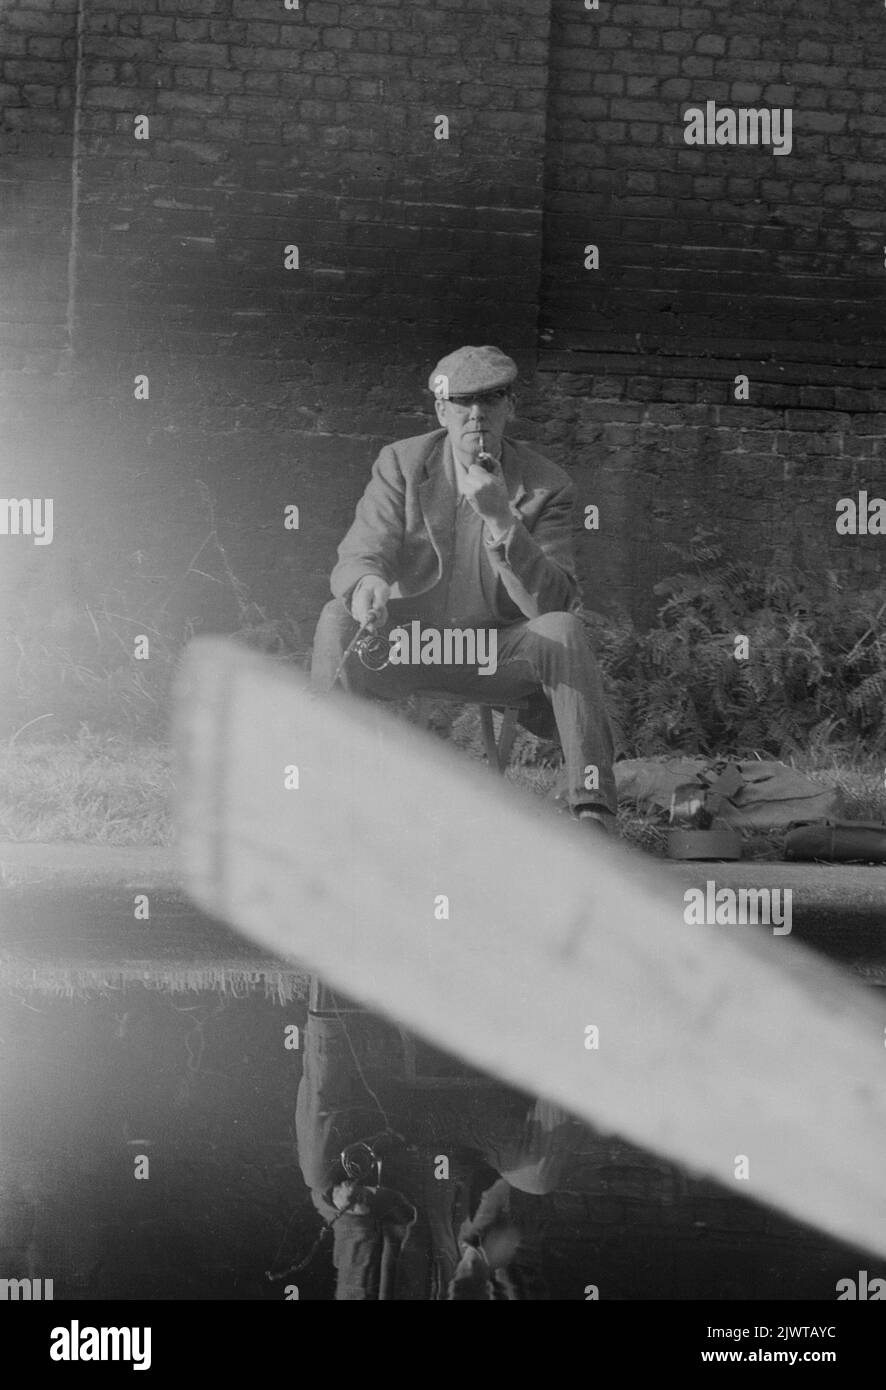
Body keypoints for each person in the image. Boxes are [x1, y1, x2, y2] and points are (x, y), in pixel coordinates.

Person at [310, 344, 617, 832]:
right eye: (461, 402)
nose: (476, 414)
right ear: (441, 409)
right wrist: (368, 582)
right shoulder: (402, 463)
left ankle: (592, 813)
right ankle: (322, 804)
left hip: (493, 655)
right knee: (336, 616)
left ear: (510, 407)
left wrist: (501, 517)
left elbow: (555, 603)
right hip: (408, 647)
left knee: (562, 629)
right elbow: (362, 553)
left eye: (491, 400)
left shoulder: (547, 485)